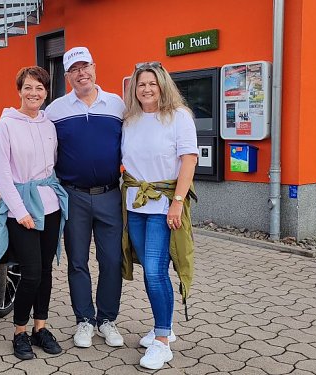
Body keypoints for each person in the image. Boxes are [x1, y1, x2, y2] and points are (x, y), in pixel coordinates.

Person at [120, 61, 198, 370]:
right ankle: (161, 324)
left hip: (164, 206)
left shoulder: (179, 117)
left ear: (163, 85)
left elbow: (189, 160)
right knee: (150, 270)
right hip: (135, 205)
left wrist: (178, 202)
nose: (147, 88)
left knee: (154, 270)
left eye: (152, 83)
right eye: (141, 84)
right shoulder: (130, 119)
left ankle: (163, 340)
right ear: (134, 89)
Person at [46, 47, 126, 348]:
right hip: (73, 196)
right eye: (75, 69)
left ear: (95, 67)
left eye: (86, 66)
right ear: (68, 76)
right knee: (77, 261)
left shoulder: (117, 106)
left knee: (112, 260)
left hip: (109, 195)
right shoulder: (55, 111)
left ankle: (107, 320)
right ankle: (84, 320)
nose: (82, 73)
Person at [0, 66, 69, 360]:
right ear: (19, 90)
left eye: (40, 88)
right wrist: (19, 210)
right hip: (21, 209)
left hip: (50, 206)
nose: (34, 93)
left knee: (46, 271)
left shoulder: (49, 125)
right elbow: (1, 174)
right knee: (31, 273)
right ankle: (19, 332)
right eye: (28, 87)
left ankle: (40, 328)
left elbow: (54, 163)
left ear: (46, 92)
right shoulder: (5, 126)